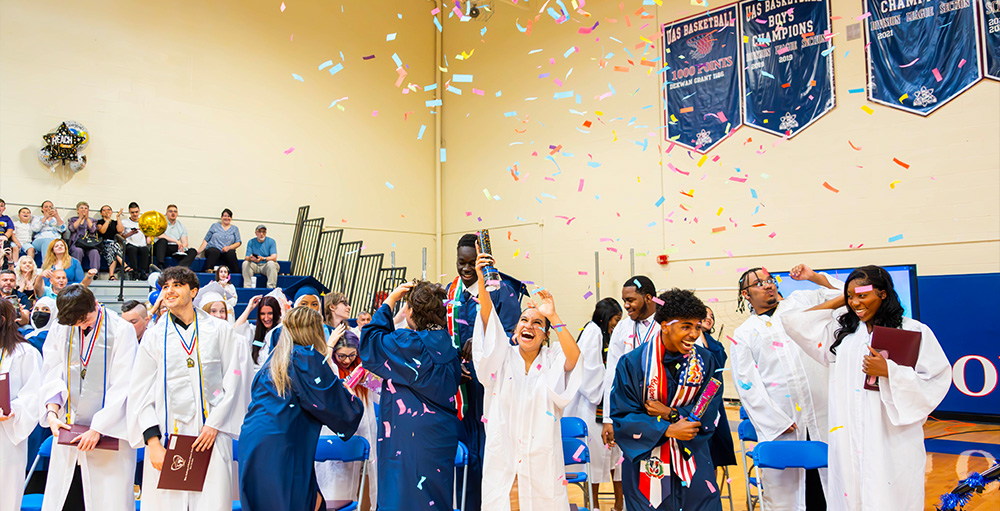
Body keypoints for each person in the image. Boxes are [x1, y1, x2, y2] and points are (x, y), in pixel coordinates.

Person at [783, 265, 951, 511]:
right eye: (850, 297)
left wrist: (890, 371)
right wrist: (844, 298)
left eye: (863, 295)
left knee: (890, 496)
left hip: (891, 437)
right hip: (848, 435)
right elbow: (795, 322)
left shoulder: (912, 331)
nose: (855, 303)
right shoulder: (843, 336)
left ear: (883, 293)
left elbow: (935, 379)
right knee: (851, 495)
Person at [127, 266, 252, 511]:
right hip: (167, 438)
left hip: (211, 436)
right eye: (165, 287)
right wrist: (153, 443)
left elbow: (234, 379)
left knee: (211, 503)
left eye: (177, 285)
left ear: (193, 291)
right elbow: (140, 391)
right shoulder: (154, 336)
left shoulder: (219, 330)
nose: (169, 291)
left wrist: (214, 424)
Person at [471, 251, 582, 511]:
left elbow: (574, 358)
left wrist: (553, 316)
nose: (528, 326)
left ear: (545, 335)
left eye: (537, 323)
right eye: (524, 320)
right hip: (505, 460)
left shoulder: (552, 360)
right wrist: (481, 283)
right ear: (514, 330)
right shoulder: (502, 359)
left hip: (541, 464)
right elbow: (488, 321)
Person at [730, 264, 843, 511]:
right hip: (784, 423)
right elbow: (746, 384)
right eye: (758, 283)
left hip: (822, 411)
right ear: (745, 294)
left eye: (770, 279)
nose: (768, 285)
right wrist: (776, 421)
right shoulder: (744, 333)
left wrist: (813, 277)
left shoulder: (800, 302)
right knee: (790, 497)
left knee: (829, 488)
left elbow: (846, 294)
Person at [239, 306, 363, 511]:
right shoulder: (305, 357)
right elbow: (331, 403)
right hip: (283, 445)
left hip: (253, 441)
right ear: (315, 331)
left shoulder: (274, 358)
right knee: (296, 503)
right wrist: (350, 397)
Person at [611, 288, 724, 511]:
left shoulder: (706, 361)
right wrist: (667, 430)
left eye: (697, 326)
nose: (694, 334)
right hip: (646, 461)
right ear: (665, 326)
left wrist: (672, 414)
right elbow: (623, 415)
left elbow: (709, 405)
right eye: (686, 326)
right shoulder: (633, 363)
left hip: (692, 457)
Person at [359, 280, 462, 511]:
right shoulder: (448, 343)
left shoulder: (411, 344)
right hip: (441, 435)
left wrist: (390, 300)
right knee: (435, 498)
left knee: (405, 499)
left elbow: (370, 343)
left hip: (410, 438)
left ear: (412, 312)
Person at [39, 284, 138, 511]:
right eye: (76, 323)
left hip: (108, 434)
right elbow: (51, 370)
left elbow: (124, 384)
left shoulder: (121, 330)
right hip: (69, 430)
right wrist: (52, 412)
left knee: (106, 500)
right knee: (67, 499)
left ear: (95, 304)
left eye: (84, 320)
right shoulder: (62, 327)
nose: (81, 326)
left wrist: (98, 428)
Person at [448, 233, 524, 510]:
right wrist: (452, 365)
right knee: (464, 455)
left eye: (473, 263)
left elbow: (514, 336)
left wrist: (481, 341)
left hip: (492, 388)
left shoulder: (501, 290)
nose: (467, 269)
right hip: (460, 389)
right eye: (462, 262)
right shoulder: (450, 293)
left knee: (492, 452)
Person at [566, 297, 624, 509]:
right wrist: (608, 386)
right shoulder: (593, 332)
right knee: (595, 459)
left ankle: (619, 503)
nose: (616, 324)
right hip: (593, 405)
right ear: (606, 316)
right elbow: (589, 370)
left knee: (616, 457)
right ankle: (595, 505)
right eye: (615, 319)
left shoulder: (602, 333)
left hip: (606, 404)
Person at [316, 329, 379, 508]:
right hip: (338, 436)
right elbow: (321, 368)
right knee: (336, 486)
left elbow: (380, 393)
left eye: (352, 355)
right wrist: (329, 346)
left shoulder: (361, 369)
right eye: (341, 356)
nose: (346, 360)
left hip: (364, 431)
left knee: (367, 481)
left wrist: (369, 378)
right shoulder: (332, 370)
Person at [601, 276, 659, 454]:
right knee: (633, 462)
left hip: (659, 407)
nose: (626, 305)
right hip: (630, 409)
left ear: (648, 298)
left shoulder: (665, 324)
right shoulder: (622, 327)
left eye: (631, 300)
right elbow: (612, 372)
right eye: (624, 300)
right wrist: (608, 418)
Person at [0, 298, 44, 510]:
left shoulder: (25, 353)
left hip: (7, 434)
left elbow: (35, 393)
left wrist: (13, 410)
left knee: (5, 493)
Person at [695, 307, 738, 481]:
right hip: (691, 400)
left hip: (712, 401)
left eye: (712, 316)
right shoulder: (687, 340)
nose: (709, 318)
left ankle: (710, 491)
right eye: (705, 315)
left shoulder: (716, 345)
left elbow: (718, 363)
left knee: (712, 451)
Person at [150, 204, 198, 269]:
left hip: (174, 248)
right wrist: (176, 241)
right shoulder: (160, 223)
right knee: (163, 241)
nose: (173, 213)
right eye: (170, 211)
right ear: (166, 213)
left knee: (193, 251)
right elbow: (159, 235)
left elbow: (185, 242)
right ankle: (160, 266)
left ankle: (179, 268)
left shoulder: (181, 226)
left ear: (177, 214)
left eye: (175, 212)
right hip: (161, 248)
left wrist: (182, 248)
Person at [199, 208, 242, 276]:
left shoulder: (235, 229)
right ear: (221, 217)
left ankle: (236, 275)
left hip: (226, 252)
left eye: (229, 216)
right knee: (214, 252)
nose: (227, 218)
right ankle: (207, 273)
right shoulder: (214, 226)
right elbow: (206, 239)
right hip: (213, 250)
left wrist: (229, 247)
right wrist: (199, 251)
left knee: (231, 253)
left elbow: (238, 242)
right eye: (225, 216)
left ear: (231, 218)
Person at [66, 201, 101, 273]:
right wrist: (80, 218)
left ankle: (94, 273)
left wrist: (87, 219)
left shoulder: (92, 220)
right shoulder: (73, 219)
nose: (84, 210)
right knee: (78, 250)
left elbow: (93, 230)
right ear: (77, 210)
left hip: (90, 243)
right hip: (77, 243)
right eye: (81, 208)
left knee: (95, 252)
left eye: (86, 208)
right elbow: (72, 229)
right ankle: (76, 272)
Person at [250, 295, 283, 371]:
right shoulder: (255, 332)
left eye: (270, 313)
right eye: (262, 314)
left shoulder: (280, 333)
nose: (266, 318)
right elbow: (237, 330)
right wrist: (249, 308)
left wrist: (284, 314)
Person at [120, 202, 150, 281]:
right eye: (132, 212)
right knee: (132, 249)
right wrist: (129, 234)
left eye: (136, 212)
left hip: (141, 244)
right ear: (129, 212)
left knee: (145, 250)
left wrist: (148, 237)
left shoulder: (144, 222)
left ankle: (143, 272)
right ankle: (135, 272)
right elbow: (121, 237)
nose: (135, 214)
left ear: (139, 211)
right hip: (130, 243)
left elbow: (148, 234)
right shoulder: (125, 222)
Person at [95, 205, 126, 280]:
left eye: (108, 209)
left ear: (111, 212)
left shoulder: (114, 222)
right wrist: (108, 220)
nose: (107, 211)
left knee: (112, 249)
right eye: (104, 210)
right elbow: (102, 231)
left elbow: (120, 230)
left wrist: (118, 217)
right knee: (113, 245)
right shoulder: (99, 222)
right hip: (103, 244)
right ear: (101, 213)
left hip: (113, 245)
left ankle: (111, 275)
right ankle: (124, 264)